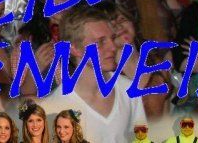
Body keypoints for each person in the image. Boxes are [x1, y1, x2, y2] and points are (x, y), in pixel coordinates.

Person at [41, 8, 144, 143]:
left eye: (112, 38)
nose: (113, 47)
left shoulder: (129, 90)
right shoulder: (53, 108)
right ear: (74, 49)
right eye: (100, 42)